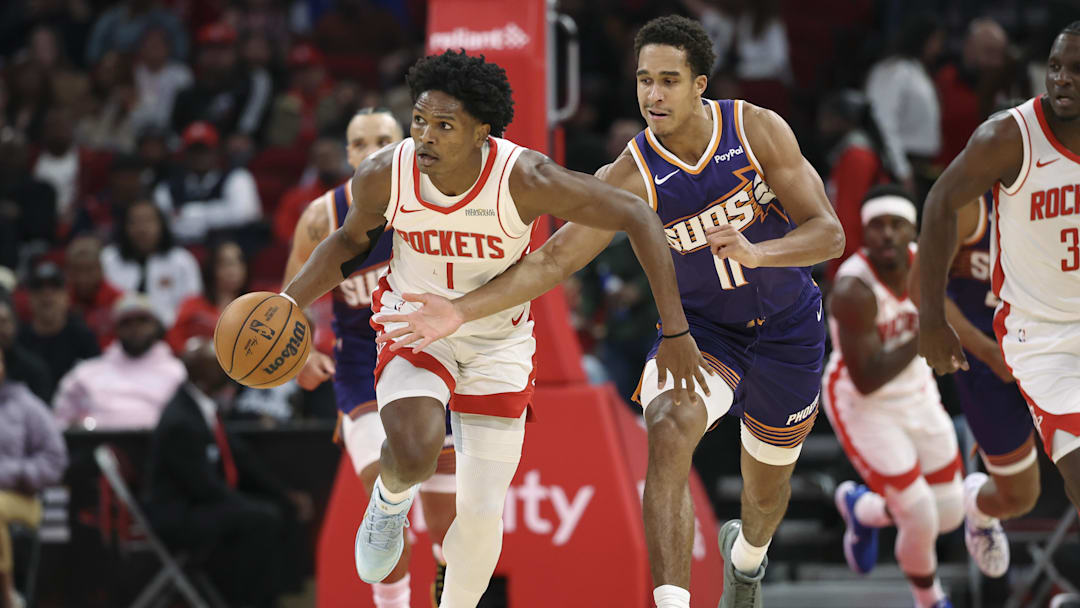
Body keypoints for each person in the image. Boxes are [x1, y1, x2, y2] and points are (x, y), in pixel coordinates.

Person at [374, 18, 845, 608]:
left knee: (765, 495)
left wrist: (759, 252)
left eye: (669, 80)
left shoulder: (755, 129)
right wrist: (458, 312)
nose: (653, 95)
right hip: (703, 334)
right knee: (667, 427)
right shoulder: (630, 172)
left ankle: (747, 562)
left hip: (789, 329)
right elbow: (552, 261)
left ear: (700, 84)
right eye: (644, 80)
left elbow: (829, 234)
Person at [280, 49, 706, 608]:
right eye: (419, 121)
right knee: (414, 446)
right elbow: (347, 244)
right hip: (414, 322)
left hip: (497, 342)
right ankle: (388, 502)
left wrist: (675, 331)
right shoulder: (387, 172)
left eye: (444, 125)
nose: (425, 136)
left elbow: (638, 215)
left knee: (479, 519)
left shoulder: (525, 177)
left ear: (482, 131)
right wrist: (288, 302)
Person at [918, 19, 1080, 558]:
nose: (1062, 78)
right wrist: (932, 322)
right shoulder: (1009, 140)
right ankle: (978, 506)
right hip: (1034, 338)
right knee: (1045, 486)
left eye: (1075, 69)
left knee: (1024, 493)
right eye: (1055, 66)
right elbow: (939, 204)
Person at [283, 107, 454, 607]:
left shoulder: (438, 203)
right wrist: (299, 355)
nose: (373, 150)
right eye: (360, 143)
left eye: (383, 139)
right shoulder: (322, 216)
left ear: (406, 144)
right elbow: (289, 302)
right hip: (362, 371)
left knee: (449, 528)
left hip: (433, 361)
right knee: (385, 512)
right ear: (348, 154)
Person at [823, 186, 963, 608]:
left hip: (917, 392)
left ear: (913, 232)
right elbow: (867, 378)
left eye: (896, 225)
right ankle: (930, 599)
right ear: (864, 233)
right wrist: (928, 331)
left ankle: (863, 508)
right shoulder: (853, 289)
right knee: (919, 513)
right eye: (877, 226)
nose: (887, 234)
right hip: (864, 404)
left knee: (949, 512)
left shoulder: (929, 264)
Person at [910, 190, 1037, 578]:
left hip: (1051, 351)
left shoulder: (1061, 192)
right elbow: (921, 289)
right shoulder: (971, 203)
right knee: (1019, 498)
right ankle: (979, 508)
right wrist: (987, 351)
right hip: (988, 362)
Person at [145, 337, 312, 608]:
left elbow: (243, 459)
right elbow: (201, 486)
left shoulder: (203, 406)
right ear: (203, 377)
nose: (228, 374)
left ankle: (282, 595)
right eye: (219, 368)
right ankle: (248, 602)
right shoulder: (181, 421)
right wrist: (245, 504)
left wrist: (284, 494)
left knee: (280, 508)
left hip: (200, 503)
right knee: (260, 518)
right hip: (178, 513)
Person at [53, 293, 185, 429]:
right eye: (126, 322)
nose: (135, 328)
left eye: (142, 320)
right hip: (98, 441)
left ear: (156, 326)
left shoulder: (178, 373)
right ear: (116, 329)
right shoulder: (86, 373)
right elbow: (61, 421)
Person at [0, 348, 67, 608]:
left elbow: (55, 460)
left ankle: (7, 596)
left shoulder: (26, 405)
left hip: (20, 498)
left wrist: (14, 473)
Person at [151, 121, 262, 245]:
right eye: (194, 151)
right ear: (185, 154)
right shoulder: (168, 186)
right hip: (182, 248)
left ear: (217, 151)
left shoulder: (237, 177)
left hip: (229, 248)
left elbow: (243, 215)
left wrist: (188, 213)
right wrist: (220, 213)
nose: (200, 156)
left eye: (205, 150)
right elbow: (165, 224)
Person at [101, 199, 202, 328]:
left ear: (161, 225)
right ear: (124, 226)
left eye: (148, 221)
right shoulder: (108, 259)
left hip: (170, 330)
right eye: (134, 222)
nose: (142, 228)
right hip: (118, 331)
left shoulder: (181, 260)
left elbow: (192, 303)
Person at [16, 262, 100, 400]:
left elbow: (98, 381)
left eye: (55, 287)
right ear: (29, 298)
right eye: (38, 288)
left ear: (67, 297)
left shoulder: (83, 337)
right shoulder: (18, 340)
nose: (47, 294)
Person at [167, 240, 248, 353]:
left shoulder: (253, 307)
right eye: (225, 264)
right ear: (212, 268)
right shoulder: (193, 304)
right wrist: (191, 349)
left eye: (238, 263)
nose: (233, 271)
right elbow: (173, 338)